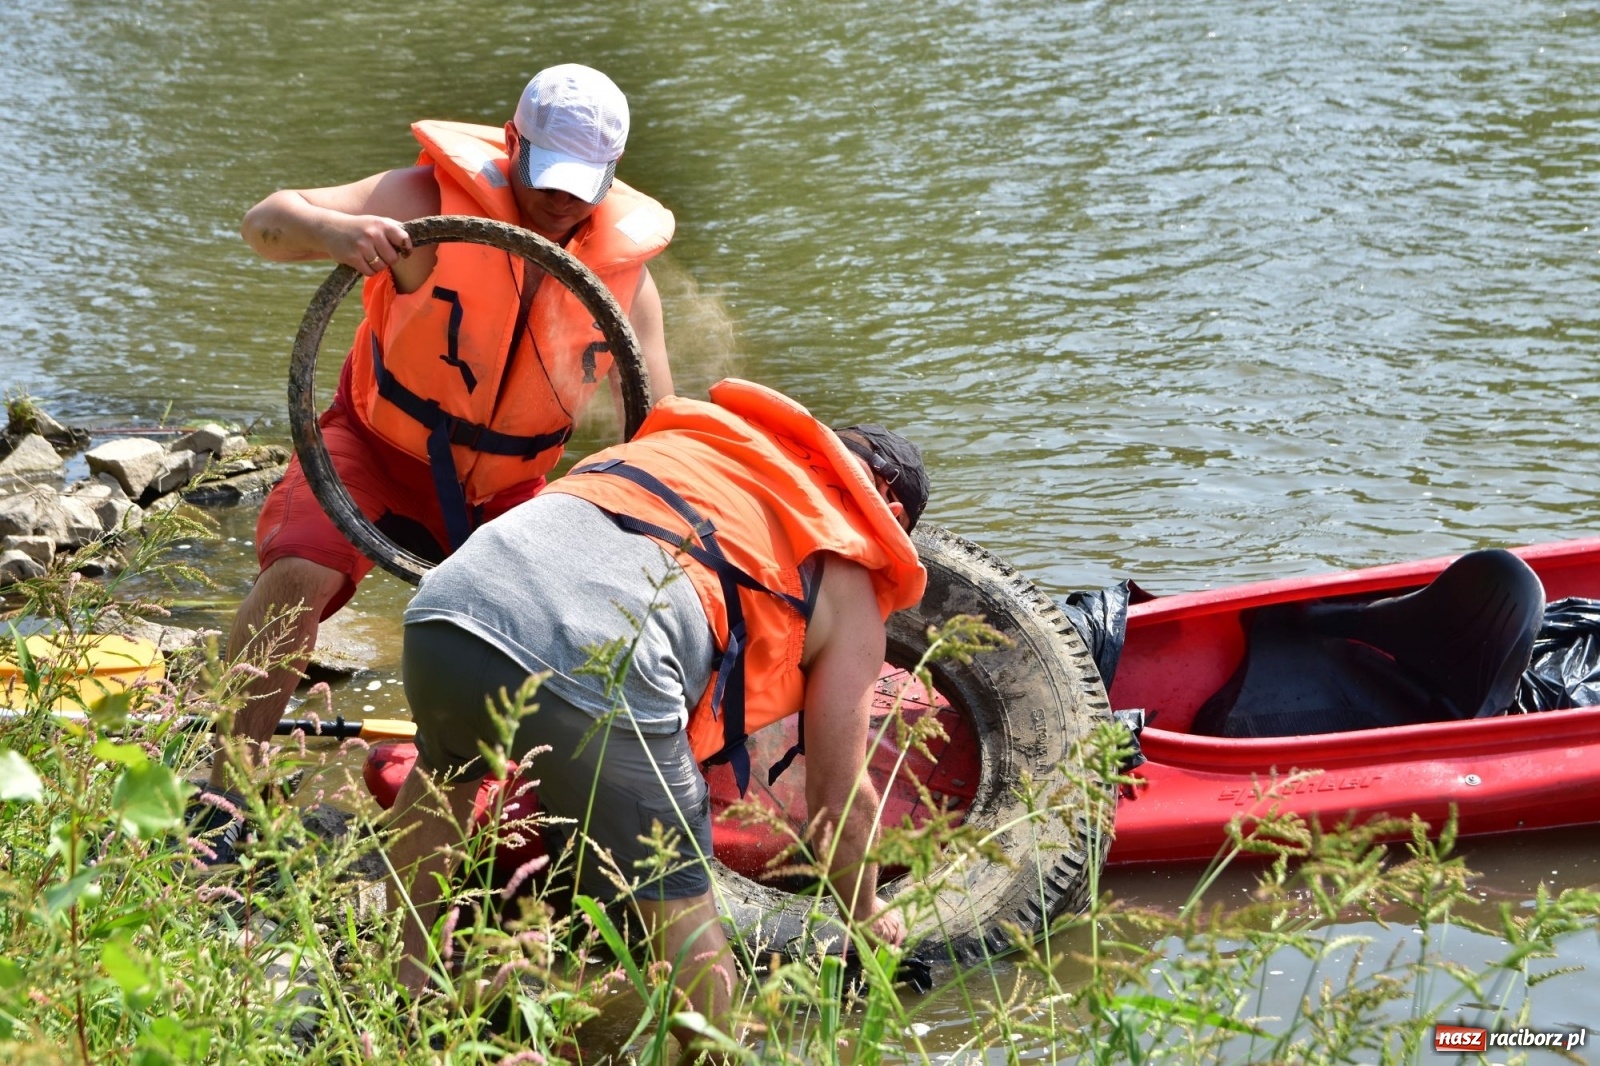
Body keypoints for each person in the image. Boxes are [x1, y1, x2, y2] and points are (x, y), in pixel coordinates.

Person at [384, 377, 930, 1052]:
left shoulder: (692, 445)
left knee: (442, 777)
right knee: (685, 922)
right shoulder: (848, 578)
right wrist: (866, 912)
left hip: (448, 604)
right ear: (890, 517)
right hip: (599, 667)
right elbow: (838, 804)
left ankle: (399, 1003)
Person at [207, 65, 674, 809]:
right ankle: (227, 792)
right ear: (511, 142)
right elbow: (265, 223)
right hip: (375, 449)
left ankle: (485, 801)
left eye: (582, 183)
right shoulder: (421, 202)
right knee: (302, 571)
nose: (560, 198)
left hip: (509, 491)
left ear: (612, 174)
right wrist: (336, 231)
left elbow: (655, 429)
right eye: (547, 172)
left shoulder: (623, 278)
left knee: (544, 636)